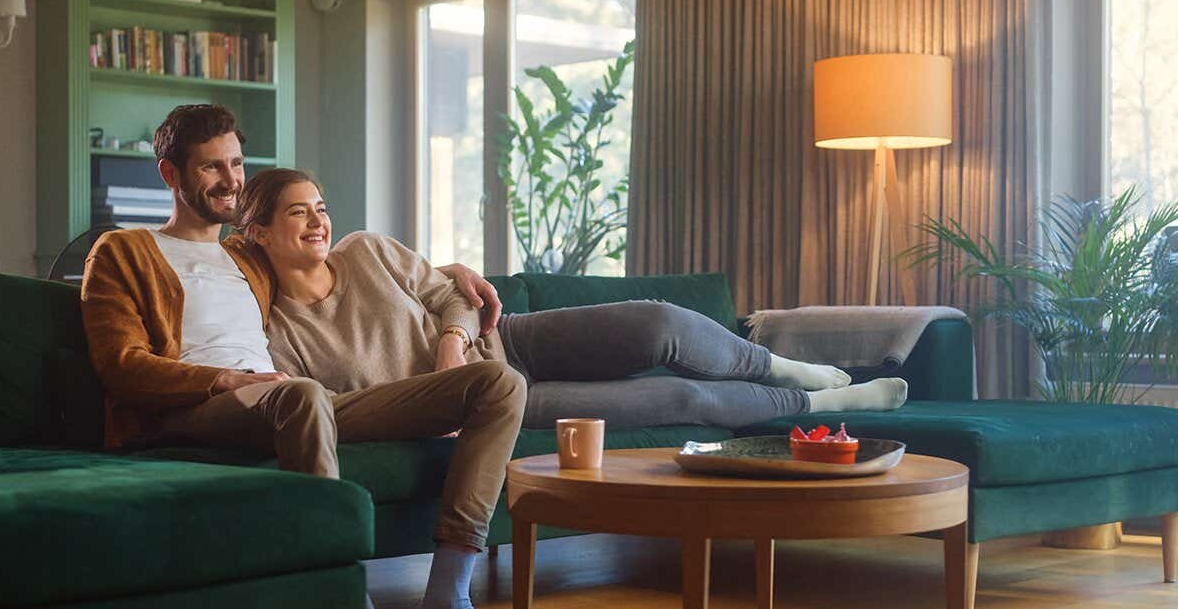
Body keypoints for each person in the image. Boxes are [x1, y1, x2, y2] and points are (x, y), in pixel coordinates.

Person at [80, 104, 548, 609]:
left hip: (296, 404)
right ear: (170, 174)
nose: (230, 180)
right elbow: (121, 363)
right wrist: (223, 378)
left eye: (236, 164)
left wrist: (450, 272)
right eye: (210, 168)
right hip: (199, 409)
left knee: (497, 383)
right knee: (297, 394)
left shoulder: (248, 255)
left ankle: (449, 605)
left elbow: (327, 250)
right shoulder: (124, 251)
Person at [242, 168, 909, 433]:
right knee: (678, 403)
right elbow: (335, 409)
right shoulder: (278, 334)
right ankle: (820, 404)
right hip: (497, 398)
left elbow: (453, 294)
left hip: (511, 340)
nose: (317, 223)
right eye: (297, 214)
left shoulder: (365, 251)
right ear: (259, 231)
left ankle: (779, 366)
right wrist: (442, 393)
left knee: (658, 323)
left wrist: (450, 341)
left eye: (320, 208)